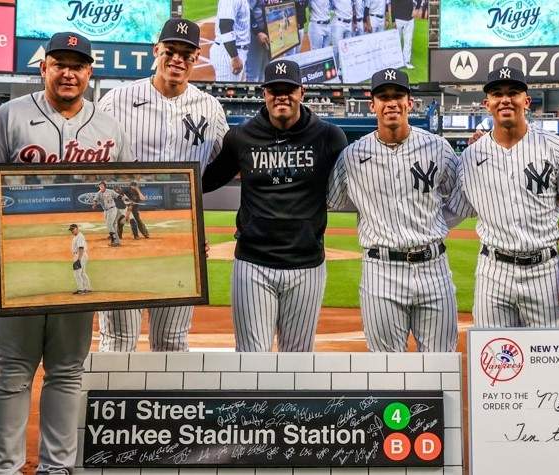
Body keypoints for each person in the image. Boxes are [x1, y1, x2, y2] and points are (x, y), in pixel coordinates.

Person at [0, 32, 133, 473]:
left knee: (67, 371)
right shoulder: (9, 115)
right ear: (43, 69)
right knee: (14, 372)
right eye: (59, 63)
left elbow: (127, 184)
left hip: (82, 256)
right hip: (18, 262)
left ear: (89, 73)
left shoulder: (110, 126)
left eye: (77, 65)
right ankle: (2, 467)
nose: (68, 72)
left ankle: (57, 466)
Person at [97, 18, 228, 352]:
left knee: (171, 341)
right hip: (126, 227)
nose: (178, 60)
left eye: (187, 53)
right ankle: (116, 405)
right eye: (171, 51)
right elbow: (96, 159)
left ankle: (162, 406)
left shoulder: (210, 107)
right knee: (119, 339)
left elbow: (223, 164)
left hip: (182, 236)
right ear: (156, 51)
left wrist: (195, 213)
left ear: (197, 57)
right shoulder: (117, 99)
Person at [203, 60, 348, 351]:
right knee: (251, 359)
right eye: (274, 90)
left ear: (302, 92)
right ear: (264, 93)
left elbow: (357, 182)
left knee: (297, 360)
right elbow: (202, 182)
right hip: (252, 263)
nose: (282, 95)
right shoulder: (240, 138)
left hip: (307, 265)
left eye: (289, 89)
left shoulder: (329, 137)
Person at [327, 68, 461, 352]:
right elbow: (335, 201)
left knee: (439, 365)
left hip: (433, 267)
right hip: (381, 270)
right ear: (372, 104)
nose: (391, 103)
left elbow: (460, 198)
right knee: (387, 371)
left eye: (398, 95)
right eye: (383, 97)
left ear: (409, 102)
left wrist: (435, 224)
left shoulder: (438, 148)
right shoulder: (352, 156)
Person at [449, 67, 559, 328]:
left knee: (549, 360)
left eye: (513, 93)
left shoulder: (558, 150)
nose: (505, 99)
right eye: (497, 93)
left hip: (544, 271)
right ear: (486, 103)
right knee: (492, 359)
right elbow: (454, 210)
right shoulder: (470, 157)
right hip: (493, 270)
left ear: (526, 100)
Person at [209, 0, 250, 82]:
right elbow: (225, 26)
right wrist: (234, 57)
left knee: (237, 91)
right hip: (228, 53)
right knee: (227, 92)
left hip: (236, 50)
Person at [92, 180, 121, 246]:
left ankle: (113, 241)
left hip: (112, 209)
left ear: (105, 186)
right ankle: (117, 241)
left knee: (109, 224)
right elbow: (95, 199)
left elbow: (118, 196)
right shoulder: (99, 193)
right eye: (100, 186)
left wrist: (124, 198)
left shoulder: (110, 191)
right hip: (106, 211)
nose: (101, 188)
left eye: (102, 186)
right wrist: (94, 204)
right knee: (112, 226)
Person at [392, 0, 415, 68]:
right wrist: (393, 20)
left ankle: (406, 61)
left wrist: (416, 8)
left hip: (410, 19)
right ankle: (395, 61)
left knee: (408, 41)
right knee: (396, 41)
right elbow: (393, 5)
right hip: (398, 19)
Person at [69, 223, 92, 294]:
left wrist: (78, 259)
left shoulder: (80, 236)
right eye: (71, 230)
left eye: (73, 229)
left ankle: (81, 289)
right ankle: (87, 288)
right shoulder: (77, 236)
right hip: (81, 255)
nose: (72, 231)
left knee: (77, 273)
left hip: (80, 256)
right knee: (82, 273)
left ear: (77, 228)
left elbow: (81, 248)